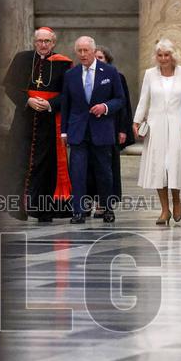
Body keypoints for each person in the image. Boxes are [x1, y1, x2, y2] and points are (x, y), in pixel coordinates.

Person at [2, 27, 74, 221]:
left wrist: (50, 104)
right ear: (34, 42)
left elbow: (68, 94)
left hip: (49, 121)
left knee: (46, 165)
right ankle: (18, 207)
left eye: (47, 41)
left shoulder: (63, 64)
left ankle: (42, 209)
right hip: (25, 119)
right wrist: (27, 100)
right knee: (19, 160)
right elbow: (9, 87)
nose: (43, 45)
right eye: (40, 41)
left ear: (54, 43)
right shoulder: (22, 59)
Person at [60, 36, 125, 224]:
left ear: (93, 50)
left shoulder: (110, 72)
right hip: (78, 131)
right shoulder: (70, 75)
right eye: (79, 51)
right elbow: (66, 105)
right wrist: (64, 131)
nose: (82, 54)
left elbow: (120, 99)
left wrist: (105, 107)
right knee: (78, 172)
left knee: (104, 171)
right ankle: (78, 211)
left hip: (102, 130)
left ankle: (107, 208)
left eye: (85, 50)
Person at [133, 39, 181, 225]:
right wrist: (136, 121)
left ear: (172, 55)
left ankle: (177, 201)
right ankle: (164, 209)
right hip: (156, 125)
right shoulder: (150, 74)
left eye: (166, 55)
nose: (163, 58)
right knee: (159, 166)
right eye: (160, 55)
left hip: (177, 125)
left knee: (173, 164)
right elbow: (144, 99)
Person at [89, 45, 134, 219]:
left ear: (107, 60)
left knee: (108, 167)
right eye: (96, 57)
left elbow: (123, 105)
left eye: (101, 58)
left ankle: (104, 203)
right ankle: (88, 202)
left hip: (110, 128)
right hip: (90, 129)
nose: (97, 60)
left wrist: (123, 129)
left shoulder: (116, 76)